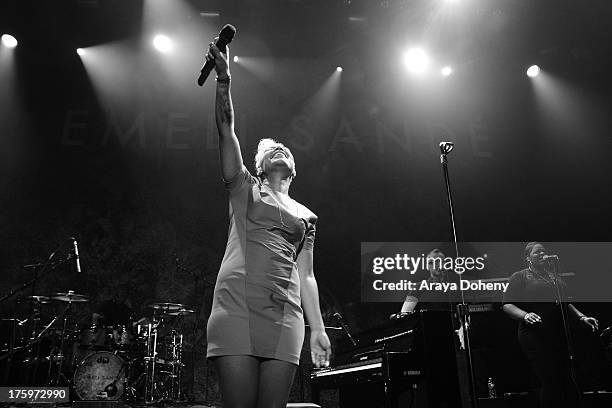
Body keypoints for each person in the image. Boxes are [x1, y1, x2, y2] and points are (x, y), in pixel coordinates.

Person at [204, 40, 331, 408]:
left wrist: (318, 328)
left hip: (286, 315)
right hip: (237, 306)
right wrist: (224, 81)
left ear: (293, 169)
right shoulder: (244, 189)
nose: (279, 150)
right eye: (270, 150)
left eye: (285, 150)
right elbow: (226, 129)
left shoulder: (307, 216)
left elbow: (306, 275)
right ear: (259, 168)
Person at [502, 242, 598, 408]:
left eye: (543, 252)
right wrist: (525, 315)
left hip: (558, 334)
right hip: (534, 335)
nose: (542, 254)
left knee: (568, 378)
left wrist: (582, 317)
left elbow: (566, 304)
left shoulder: (554, 277)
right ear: (528, 258)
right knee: (550, 379)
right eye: (537, 252)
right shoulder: (520, 276)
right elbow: (507, 305)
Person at [391, 248, 454, 318]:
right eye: (431, 262)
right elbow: (404, 315)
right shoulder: (418, 287)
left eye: (440, 261)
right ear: (427, 266)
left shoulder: (454, 288)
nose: (437, 264)